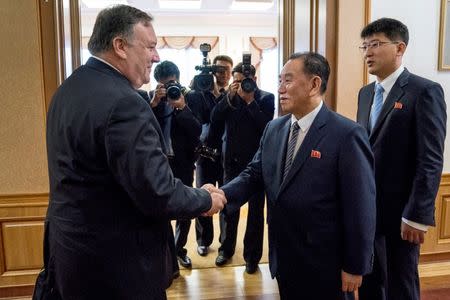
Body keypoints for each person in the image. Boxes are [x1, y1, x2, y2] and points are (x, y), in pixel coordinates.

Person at [44, 5, 226, 300]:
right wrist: (206, 198)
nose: (156, 56)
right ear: (120, 46)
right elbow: (158, 193)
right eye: (151, 46)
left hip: (71, 258)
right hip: (117, 268)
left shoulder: (68, 89)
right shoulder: (124, 103)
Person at [216, 52, 376, 299]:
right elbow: (255, 173)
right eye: (279, 81)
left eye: (288, 81)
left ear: (314, 84)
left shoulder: (346, 134)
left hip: (325, 263)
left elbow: (361, 207)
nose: (280, 89)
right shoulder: (275, 128)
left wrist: (355, 265)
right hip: (284, 256)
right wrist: (220, 195)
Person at [356, 18, 446, 300]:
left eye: (376, 44)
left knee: (400, 283)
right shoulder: (366, 93)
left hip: (402, 213)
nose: (368, 52)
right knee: (369, 280)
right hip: (367, 209)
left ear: (399, 48)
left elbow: (430, 159)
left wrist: (417, 216)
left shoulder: (424, 91)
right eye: (365, 46)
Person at [210, 63, 274, 273]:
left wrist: (250, 101)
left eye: (245, 80)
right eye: (236, 80)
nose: (241, 84)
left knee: (256, 213)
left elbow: (267, 126)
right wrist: (230, 97)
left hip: (257, 163)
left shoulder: (266, 98)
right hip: (232, 161)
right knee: (228, 208)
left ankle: (252, 258)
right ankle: (226, 249)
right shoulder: (229, 97)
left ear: (254, 80)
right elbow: (215, 118)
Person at [148, 60, 202, 270]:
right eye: (164, 84)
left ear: (178, 79)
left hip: (183, 162)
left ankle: (179, 249)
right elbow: (143, 127)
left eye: (172, 82)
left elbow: (197, 130)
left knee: (184, 208)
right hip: (158, 164)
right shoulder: (150, 100)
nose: (169, 87)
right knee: (160, 208)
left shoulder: (191, 97)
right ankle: (166, 254)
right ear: (157, 84)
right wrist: (153, 103)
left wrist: (182, 108)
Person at [190, 55, 234, 256]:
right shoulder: (201, 92)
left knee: (226, 200)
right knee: (203, 197)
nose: (222, 73)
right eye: (218, 69)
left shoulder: (236, 93)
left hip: (227, 155)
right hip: (205, 154)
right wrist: (198, 87)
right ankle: (203, 240)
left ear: (231, 72)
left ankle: (226, 245)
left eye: (226, 69)